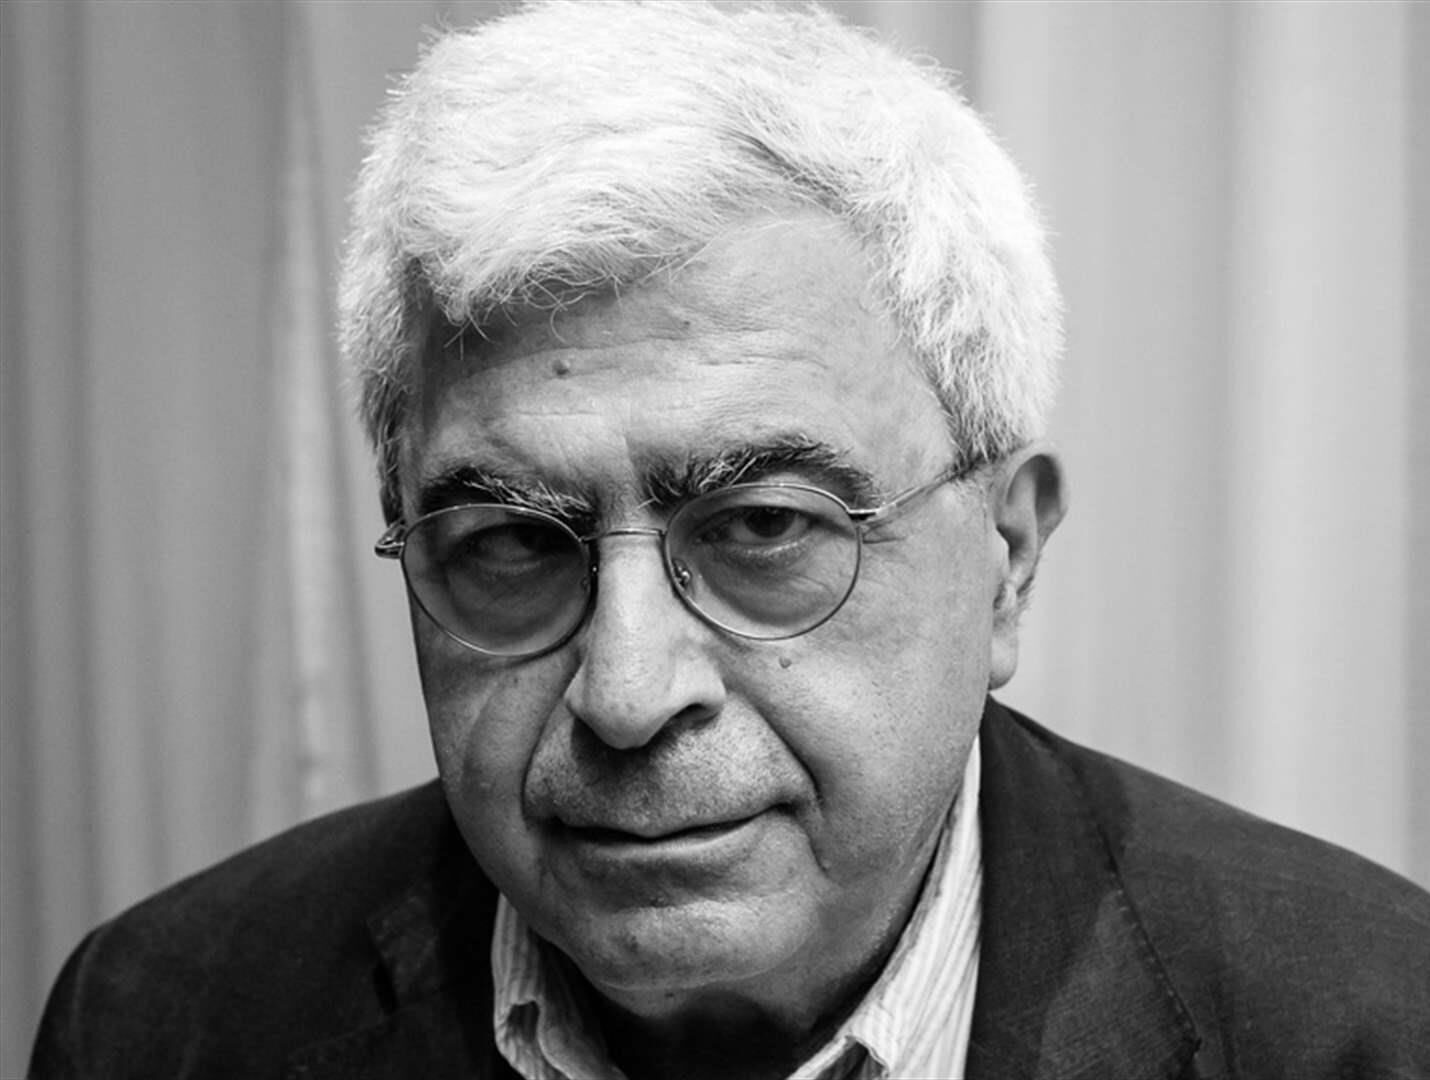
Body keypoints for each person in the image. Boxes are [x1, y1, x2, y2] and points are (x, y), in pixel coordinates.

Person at [30, 2, 1429, 1077]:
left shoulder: (1367, 1028)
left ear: (1006, 557)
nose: (628, 693)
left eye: (764, 527)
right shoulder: (164, 1020)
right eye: (511, 545)